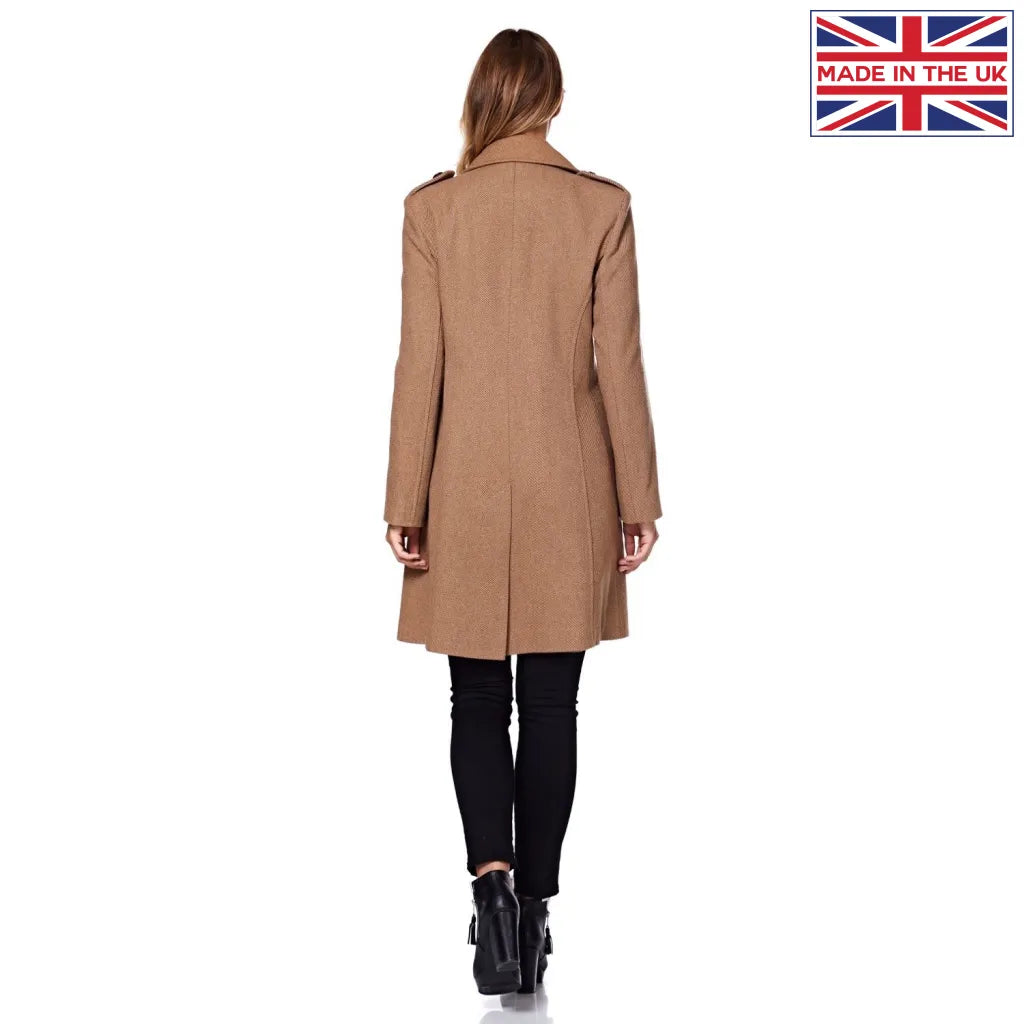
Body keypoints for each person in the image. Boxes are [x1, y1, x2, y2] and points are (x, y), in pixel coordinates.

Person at [383, 28, 663, 996]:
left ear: (482, 98)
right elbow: (619, 364)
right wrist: (639, 497)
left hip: (458, 483)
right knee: (550, 705)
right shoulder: (601, 206)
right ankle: (535, 910)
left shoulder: (433, 209)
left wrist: (404, 496)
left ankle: (491, 892)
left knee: (473, 701)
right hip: (569, 486)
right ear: (551, 99)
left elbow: (419, 363)